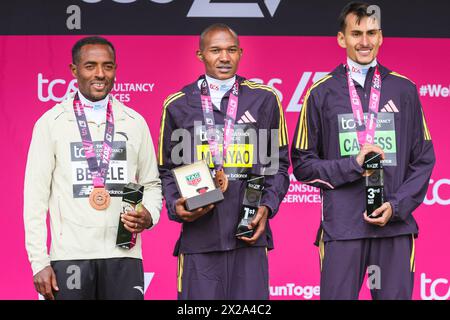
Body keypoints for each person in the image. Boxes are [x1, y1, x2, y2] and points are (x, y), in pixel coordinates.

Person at [291, 2, 435, 300]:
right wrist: (352, 165)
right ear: (342, 39)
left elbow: (423, 159)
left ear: (381, 36)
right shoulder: (320, 92)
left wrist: (396, 207)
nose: (365, 42)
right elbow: (303, 164)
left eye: (371, 33)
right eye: (356, 33)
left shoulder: (403, 90)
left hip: (394, 230)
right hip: (342, 230)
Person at [24, 36, 162, 300]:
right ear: (74, 71)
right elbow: (35, 198)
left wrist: (150, 215)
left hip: (124, 255)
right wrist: (39, 262)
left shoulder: (134, 122)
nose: (100, 74)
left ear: (115, 70)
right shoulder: (51, 122)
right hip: (70, 256)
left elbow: (151, 184)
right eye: (90, 66)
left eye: (107, 66)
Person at [158, 23, 290, 300]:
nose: (224, 57)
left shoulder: (263, 100)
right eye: (215, 50)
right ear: (200, 55)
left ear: (240, 53)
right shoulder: (178, 105)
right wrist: (176, 206)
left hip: (248, 234)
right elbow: (167, 171)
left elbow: (276, 166)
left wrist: (267, 207)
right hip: (199, 239)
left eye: (231, 50)